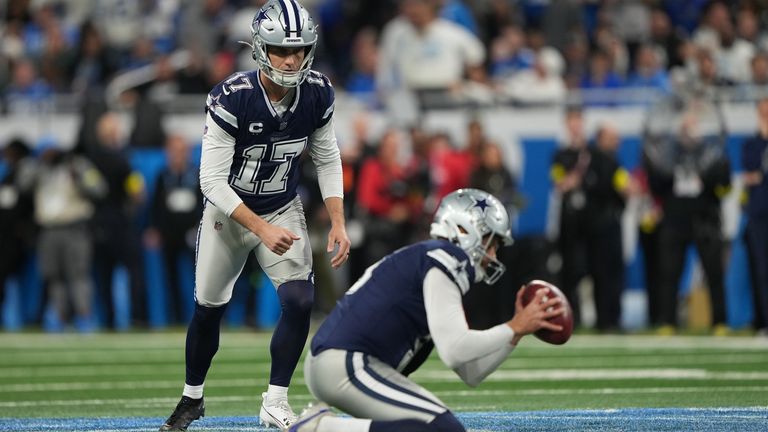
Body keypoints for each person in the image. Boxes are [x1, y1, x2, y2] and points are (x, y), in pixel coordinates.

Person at [159, 1, 351, 430]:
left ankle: (275, 399)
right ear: (261, 49)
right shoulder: (233, 97)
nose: (291, 58)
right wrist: (261, 228)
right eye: (283, 50)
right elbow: (210, 181)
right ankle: (193, 398)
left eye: (299, 50)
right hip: (229, 214)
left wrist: (338, 220)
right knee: (209, 309)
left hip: (281, 205)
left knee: (300, 300)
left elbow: (327, 156)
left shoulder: (317, 91)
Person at [289, 188, 565, 432]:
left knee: (436, 427)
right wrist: (514, 326)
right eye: (491, 243)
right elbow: (456, 349)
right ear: (465, 230)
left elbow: (470, 371)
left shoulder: (432, 260)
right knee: (438, 428)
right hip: (346, 361)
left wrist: (515, 336)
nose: (493, 255)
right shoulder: (448, 258)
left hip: (344, 361)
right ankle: (321, 428)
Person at [742, 97, 768, 335]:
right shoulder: (752, 143)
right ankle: (764, 321)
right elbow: (750, 171)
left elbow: (758, 175)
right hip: (760, 213)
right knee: (762, 269)